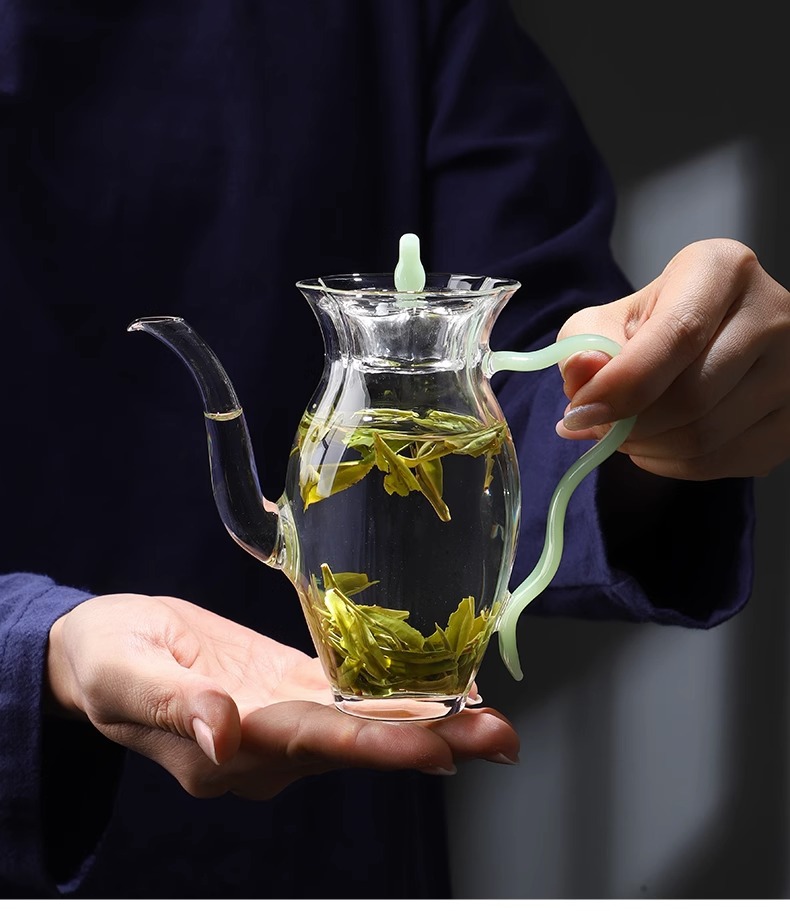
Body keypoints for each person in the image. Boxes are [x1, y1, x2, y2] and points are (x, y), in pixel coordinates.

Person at [0, 0, 780, 899]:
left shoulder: (411, 19)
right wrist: (29, 643)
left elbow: (539, 367)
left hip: (332, 829)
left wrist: (663, 395)